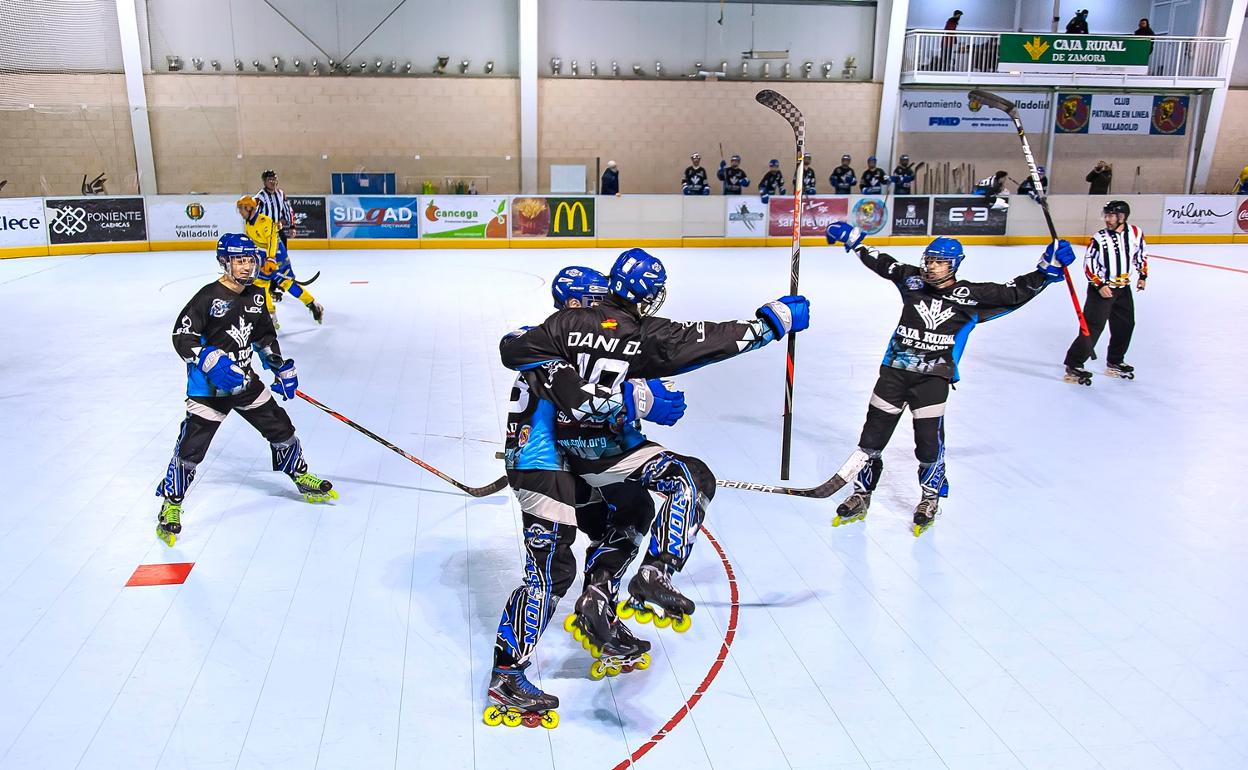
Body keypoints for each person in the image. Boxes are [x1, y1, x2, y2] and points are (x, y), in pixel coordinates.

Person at [487, 249, 810, 726]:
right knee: (551, 570)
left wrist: (628, 397)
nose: (598, 307)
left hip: (572, 459)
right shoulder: (566, 345)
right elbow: (581, 399)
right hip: (544, 466)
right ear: (574, 303)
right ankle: (507, 675)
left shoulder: (548, 337)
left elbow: (525, 352)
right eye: (589, 299)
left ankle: (600, 600)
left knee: (630, 510)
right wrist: (635, 398)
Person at [826, 224, 1074, 536]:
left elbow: (1013, 294)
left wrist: (1045, 270)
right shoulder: (912, 281)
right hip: (894, 373)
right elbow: (883, 262)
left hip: (932, 381)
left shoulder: (971, 296)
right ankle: (862, 494)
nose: (930, 266)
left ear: (953, 265)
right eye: (929, 259)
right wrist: (856, 242)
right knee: (870, 439)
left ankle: (929, 497)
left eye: (939, 261)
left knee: (928, 445)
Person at [153, 234, 336, 547]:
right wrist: (208, 358)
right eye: (240, 260)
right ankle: (171, 504)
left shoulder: (254, 296)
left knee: (280, 426)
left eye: (250, 260)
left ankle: (300, 474)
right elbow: (181, 336)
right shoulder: (208, 296)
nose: (247, 266)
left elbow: (264, 337)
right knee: (192, 446)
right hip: (208, 387)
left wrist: (279, 365)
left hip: (244, 380)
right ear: (225, 261)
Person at [1062, 201, 1148, 385]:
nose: (1107, 220)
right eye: (1106, 215)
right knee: (1092, 327)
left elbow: (1140, 255)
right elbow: (1089, 264)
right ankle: (1074, 363)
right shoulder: (1099, 238)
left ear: (1122, 217)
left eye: (1111, 216)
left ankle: (1115, 361)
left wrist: (1143, 276)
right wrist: (1099, 284)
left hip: (1123, 288)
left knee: (1125, 325)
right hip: (1101, 290)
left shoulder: (1136, 233)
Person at [237, 195, 324, 326]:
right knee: (261, 285)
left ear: (249, 208)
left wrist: (271, 259)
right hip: (264, 258)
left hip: (278, 257)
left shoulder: (264, 222)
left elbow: (273, 241)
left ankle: (312, 304)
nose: (240, 212)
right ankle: (271, 316)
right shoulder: (249, 223)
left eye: (241, 209)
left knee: (286, 283)